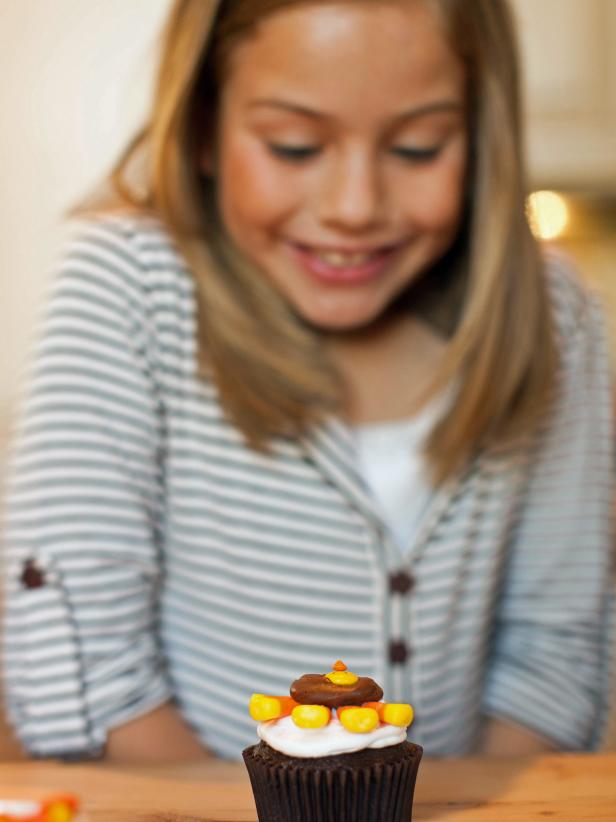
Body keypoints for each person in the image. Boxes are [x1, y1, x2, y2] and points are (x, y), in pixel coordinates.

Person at [1, 0, 613, 764]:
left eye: (419, 148)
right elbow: (80, 668)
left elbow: (556, 658)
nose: (355, 207)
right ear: (201, 130)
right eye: (293, 148)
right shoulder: (130, 288)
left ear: (482, 137)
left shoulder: (555, 314)